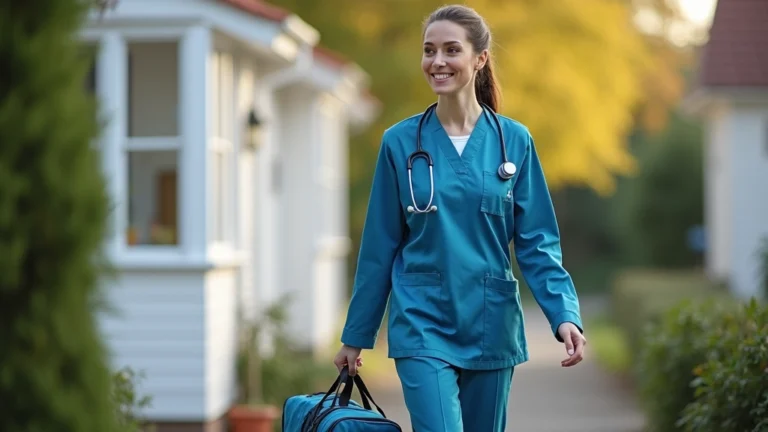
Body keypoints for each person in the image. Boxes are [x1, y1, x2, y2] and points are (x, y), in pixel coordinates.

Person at [333, 4, 586, 431]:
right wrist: (356, 335)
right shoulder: (399, 143)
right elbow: (379, 247)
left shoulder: (514, 141)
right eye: (429, 50)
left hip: (490, 321)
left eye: (451, 50)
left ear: (480, 58)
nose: (437, 61)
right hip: (422, 321)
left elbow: (537, 242)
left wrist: (564, 314)